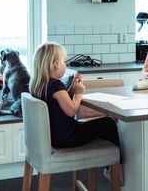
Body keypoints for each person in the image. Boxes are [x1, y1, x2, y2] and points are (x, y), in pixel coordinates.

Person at [30, 42, 123, 182]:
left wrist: (71, 90)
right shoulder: (56, 86)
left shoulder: (40, 84)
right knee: (108, 123)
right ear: (54, 64)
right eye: (63, 62)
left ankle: (108, 163)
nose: (65, 65)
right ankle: (116, 167)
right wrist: (78, 93)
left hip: (56, 136)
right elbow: (71, 110)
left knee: (100, 125)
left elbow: (59, 104)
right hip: (68, 137)